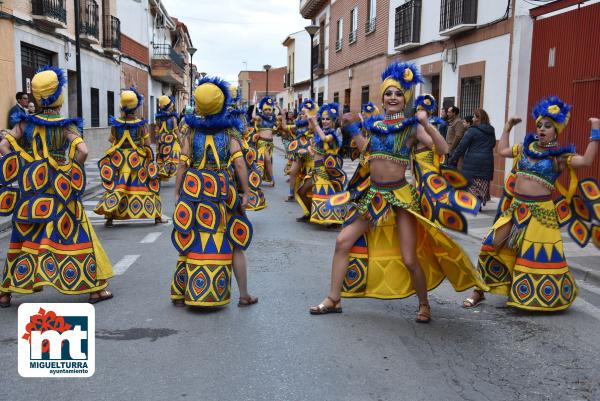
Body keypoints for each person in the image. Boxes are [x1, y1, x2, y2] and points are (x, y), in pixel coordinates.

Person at [309, 62, 487, 322]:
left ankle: (424, 304)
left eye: (398, 94)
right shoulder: (375, 125)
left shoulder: (411, 127)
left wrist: (427, 124)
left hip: (400, 196)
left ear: (405, 100)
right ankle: (334, 298)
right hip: (375, 196)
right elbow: (369, 150)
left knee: (409, 257)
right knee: (342, 241)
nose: (393, 97)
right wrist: (354, 130)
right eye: (389, 93)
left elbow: (442, 150)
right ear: (382, 98)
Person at [462, 96, 600, 311]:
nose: (542, 129)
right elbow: (502, 151)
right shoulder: (525, 148)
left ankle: (533, 297)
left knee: (534, 257)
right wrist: (507, 128)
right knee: (491, 244)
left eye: (547, 126)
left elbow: (587, 161)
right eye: (539, 125)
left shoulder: (559, 157)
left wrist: (595, 131)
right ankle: (478, 291)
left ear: (556, 130)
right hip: (516, 209)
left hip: (541, 214)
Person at [0, 66, 113, 307]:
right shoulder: (65, 126)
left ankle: (5, 292)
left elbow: (4, 145)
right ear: (58, 95)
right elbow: (83, 150)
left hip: (31, 191)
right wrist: (72, 170)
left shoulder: (25, 123)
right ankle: (94, 291)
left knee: (23, 236)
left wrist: (23, 166)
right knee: (74, 233)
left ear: (38, 97)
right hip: (61, 191)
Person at [170, 76, 257, 307]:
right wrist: (246, 191)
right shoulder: (230, 133)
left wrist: (177, 191)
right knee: (234, 239)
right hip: (222, 189)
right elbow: (239, 164)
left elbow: (182, 163)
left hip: (194, 188)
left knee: (192, 234)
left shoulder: (190, 131)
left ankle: (183, 291)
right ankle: (244, 295)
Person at [93, 87, 163, 226]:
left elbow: (111, 141)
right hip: (137, 159)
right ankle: (156, 216)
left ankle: (110, 216)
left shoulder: (116, 125)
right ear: (136, 106)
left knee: (117, 186)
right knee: (146, 185)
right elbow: (147, 143)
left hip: (119, 160)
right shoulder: (141, 125)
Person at [410, 94, 480, 230]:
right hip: (424, 183)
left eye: (425, 111)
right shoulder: (416, 129)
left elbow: (442, 149)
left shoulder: (427, 128)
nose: (421, 113)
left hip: (432, 182)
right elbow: (415, 163)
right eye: (419, 110)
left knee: (432, 224)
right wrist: (414, 188)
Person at [305, 103, 347, 225]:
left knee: (326, 193)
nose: (324, 121)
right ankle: (308, 213)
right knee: (304, 190)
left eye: (327, 119)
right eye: (322, 119)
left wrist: (315, 123)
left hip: (326, 169)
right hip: (316, 167)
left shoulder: (335, 132)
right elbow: (315, 134)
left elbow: (324, 139)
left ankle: (334, 220)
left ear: (333, 120)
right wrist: (309, 116)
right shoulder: (322, 130)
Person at [448, 108, 495, 207]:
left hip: (473, 162)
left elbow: (462, 146)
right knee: (482, 182)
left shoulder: (472, 130)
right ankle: (479, 198)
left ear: (478, 118)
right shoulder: (491, 130)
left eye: (474, 116)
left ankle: (474, 199)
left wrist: (452, 158)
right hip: (487, 162)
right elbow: (493, 144)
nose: (472, 118)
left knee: (471, 183)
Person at [280, 99, 317, 204]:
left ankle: (310, 195)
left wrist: (309, 118)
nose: (302, 116)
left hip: (310, 152)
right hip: (299, 152)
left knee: (310, 173)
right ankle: (291, 194)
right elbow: (284, 127)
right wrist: (283, 115)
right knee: (293, 171)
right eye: (301, 113)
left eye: (304, 114)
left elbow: (311, 127)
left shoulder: (314, 123)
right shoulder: (299, 125)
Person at [252, 96, 279, 186]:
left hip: (270, 143)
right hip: (262, 142)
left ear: (272, 110)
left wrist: (278, 107)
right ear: (263, 110)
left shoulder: (273, 120)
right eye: (266, 109)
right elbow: (253, 116)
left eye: (269, 109)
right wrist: (255, 105)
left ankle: (268, 179)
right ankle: (271, 180)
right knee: (266, 160)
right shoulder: (260, 118)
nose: (268, 111)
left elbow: (280, 125)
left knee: (269, 161)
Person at [154, 95, 180, 180]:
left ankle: (161, 171)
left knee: (162, 157)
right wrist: (181, 142)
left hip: (162, 140)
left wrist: (157, 143)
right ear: (169, 107)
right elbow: (176, 131)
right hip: (171, 140)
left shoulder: (158, 119)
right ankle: (167, 171)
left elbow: (156, 131)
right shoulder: (173, 118)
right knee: (172, 157)